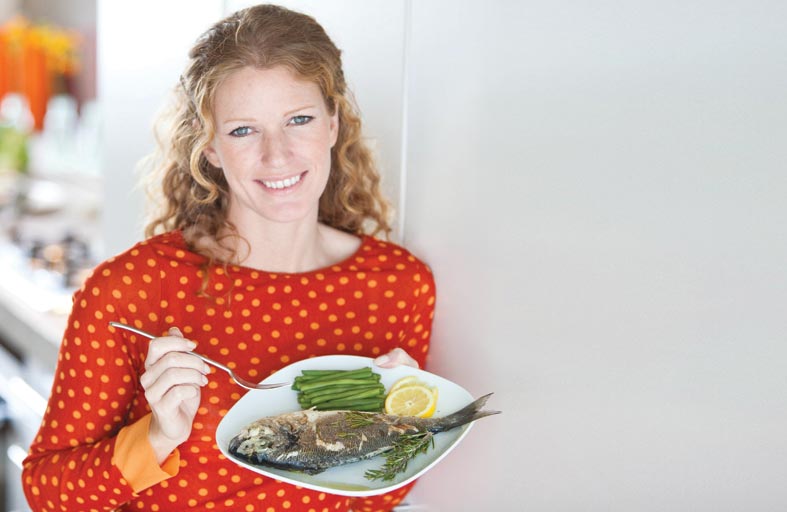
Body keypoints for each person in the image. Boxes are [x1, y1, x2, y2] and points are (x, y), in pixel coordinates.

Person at [22, 5, 435, 512]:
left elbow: (384, 492)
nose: (277, 155)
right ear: (211, 146)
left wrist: (398, 422)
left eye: (299, 120)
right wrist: (156, 437)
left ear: (333, 123)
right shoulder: (133, 288)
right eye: (243, 130)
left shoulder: (397, 285)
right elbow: (47, 492)